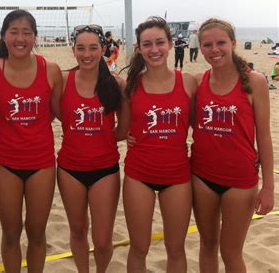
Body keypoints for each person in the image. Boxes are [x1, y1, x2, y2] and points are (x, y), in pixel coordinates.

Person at [0, 9, 62, 272]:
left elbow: (61, 114)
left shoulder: (51, 70)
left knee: (36, 233)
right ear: (3, 36)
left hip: (42, 163)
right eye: (13, 31)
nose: (20, 38)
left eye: (27, 32)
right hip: (6, 163)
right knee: (11, 233)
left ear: (35, 36)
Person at [191, 18, 274, 273]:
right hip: (202, 176)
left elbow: (265, 136)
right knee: (207, 245)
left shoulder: (255, 81)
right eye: (207, 44)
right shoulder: (198, 82)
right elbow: (186, 123)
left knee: (230, 252)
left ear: (233, 43)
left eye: (220, 43)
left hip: (240, 181)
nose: (214, 50)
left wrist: (269, 186)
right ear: (200, 47)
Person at [123, 16, 197, 272]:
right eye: (147, 44)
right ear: (139, 48)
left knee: (175, 249)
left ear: (170, 44)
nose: (154, 50)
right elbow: (121, 126)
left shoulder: (188, 82)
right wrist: (126, 136)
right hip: (138, 174)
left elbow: (200, 125)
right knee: (139, 247)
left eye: (159, 43)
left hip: (177, 175)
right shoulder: (131, 85)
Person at [57, 24, 127, 272]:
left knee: (102, 239)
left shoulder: (116, 83)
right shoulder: (63, 79)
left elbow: (124, 128)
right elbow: (57, 113)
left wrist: (101, 139)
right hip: (69, 169)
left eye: (93, 48)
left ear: (103, 50)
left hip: (105, 169)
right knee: (77, 230)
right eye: (81, 48)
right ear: (73, 50)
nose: (86, 54)